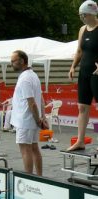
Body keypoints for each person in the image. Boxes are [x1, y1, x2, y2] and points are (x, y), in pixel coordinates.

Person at [10, 50, 48, 176]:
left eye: (13, 61)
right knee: (34, 148)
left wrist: (39, 120)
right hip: (30, 119)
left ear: (22, 61)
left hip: (25, 120)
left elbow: (32, 102)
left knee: (25, 150)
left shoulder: (25, 79)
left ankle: (29, 178)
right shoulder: (33, 75)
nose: (11, 64)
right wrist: (42, 117)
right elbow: (41, 98)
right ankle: (39, 176)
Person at [67, 0, 98, 151]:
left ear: (91, 14)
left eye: (83, 15)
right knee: (82, 107)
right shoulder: (82, 30)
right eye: (81, 15)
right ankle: (80, 140)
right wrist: (73, 66)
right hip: (84, 72)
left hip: (97, 73)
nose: (82, 18)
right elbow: (79, 51)